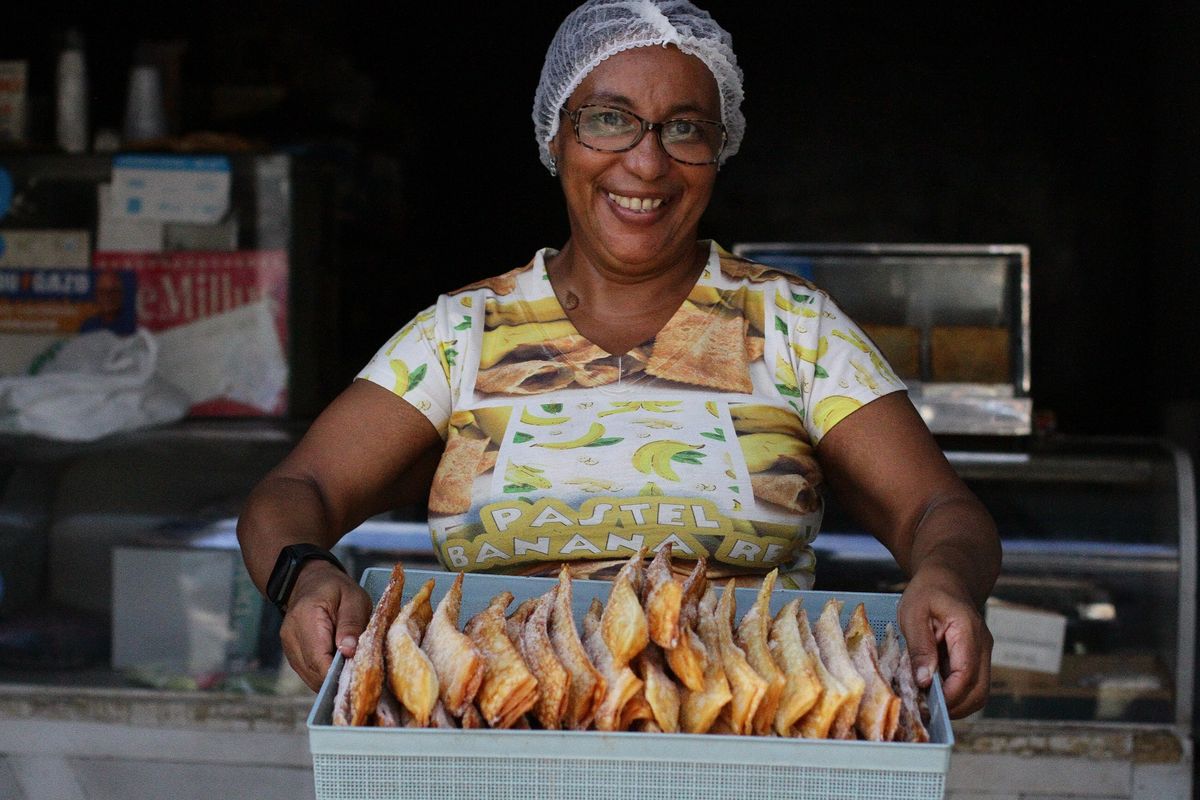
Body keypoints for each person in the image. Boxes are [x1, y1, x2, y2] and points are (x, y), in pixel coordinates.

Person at [237, 0, 1000, 720]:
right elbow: (295, 490)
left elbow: (938, 510)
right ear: (554, 137)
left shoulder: (793, 328)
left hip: (743, 755)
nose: (646, 162)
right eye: (610, 120)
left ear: (719, 149)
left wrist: (946, 576)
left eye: (684, 128)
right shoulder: (462, 335)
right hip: (496, 758)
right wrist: (306, 574)